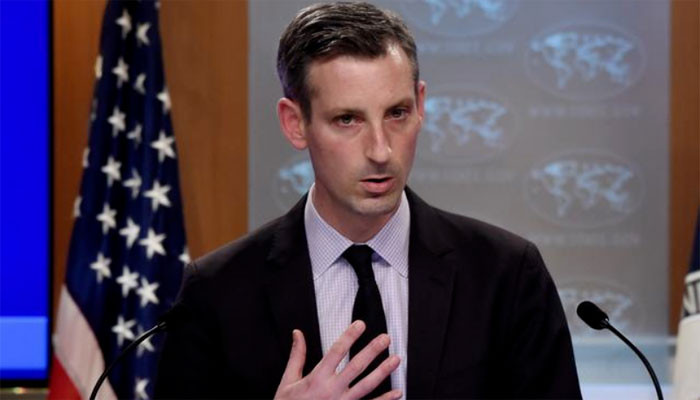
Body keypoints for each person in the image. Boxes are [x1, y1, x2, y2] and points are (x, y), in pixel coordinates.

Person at [155, 2, 582, 399]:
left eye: (397, 113)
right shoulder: (218, 292)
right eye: (348, 119)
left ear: (420, 105)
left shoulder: (506, 275)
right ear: (295, 123)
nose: (381, 150)